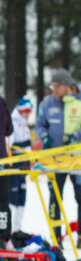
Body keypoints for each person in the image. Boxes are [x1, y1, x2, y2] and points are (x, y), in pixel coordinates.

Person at [35, 69, 81, 248]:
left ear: (66, 86)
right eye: (52, 86)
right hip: (55, 159)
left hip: (79, 159)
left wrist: (75, 136)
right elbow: (39, 125)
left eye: (56, 86)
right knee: (55, 197)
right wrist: (44, 135)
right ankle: (56, 238)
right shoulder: (47, 104)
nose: (53, 89)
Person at [7, 96, 33, 231]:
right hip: (14, 164)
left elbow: (27, 147)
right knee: (13, 196)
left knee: (22, 196)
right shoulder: (13, 121)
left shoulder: (24, 123)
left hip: (24, 164)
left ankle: (17, 228)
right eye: (27, 112)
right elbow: (10, 144)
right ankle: (9, 229)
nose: (28, 115)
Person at [0, 96, 14, 246]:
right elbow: (10, 130)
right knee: (3, 202)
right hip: (1, 159)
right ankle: (3, 237)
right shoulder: (2, 102)